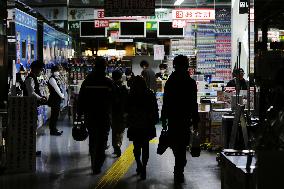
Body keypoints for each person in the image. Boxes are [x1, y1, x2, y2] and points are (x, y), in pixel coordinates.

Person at [161, 55, 199, 183]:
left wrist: (164, 119)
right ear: (186, 66)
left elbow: (165, 102)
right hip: (185, 119)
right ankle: (179, 168)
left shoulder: (170, 82)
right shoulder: (190, 82)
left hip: (173, 118)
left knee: (176, 145)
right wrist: (196, 121)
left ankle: (179, 166)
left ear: (175, 65)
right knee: (182, 145)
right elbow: (194, 104)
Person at [77, 57, 115, 174]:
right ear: (104, 67)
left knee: (93, 138)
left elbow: (81, 99)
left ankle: (94, 162)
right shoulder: (108, 82)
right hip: (104, 116)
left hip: (90, 115)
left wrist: (79, 114)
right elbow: (115, 99)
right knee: (102, 140)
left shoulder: (87, 82)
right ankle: (98, 163)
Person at [126, 76, 159, 180]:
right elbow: (155, 109)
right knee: (145, 146)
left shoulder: (131, 94)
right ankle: (144, 167)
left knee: (136, 146)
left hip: (135, 124)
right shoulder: (149, 93)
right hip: (147, 124)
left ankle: (138, 164)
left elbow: (126, 109)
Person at [111, 70, 128, 157]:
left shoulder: (111, 87)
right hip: (122, 113)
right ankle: (118, 144)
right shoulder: (124, 88)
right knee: (120, 130)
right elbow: (127, 101)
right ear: (121, 77)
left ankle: (115, 147)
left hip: (113, 113)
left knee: (114, 130)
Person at [47, 65, 64, 136]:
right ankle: (52, 130)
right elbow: (56, 89)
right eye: (57, 71)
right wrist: (62, 95)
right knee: (54, 115)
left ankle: (54, 128)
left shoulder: (55, 78)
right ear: (54, 71)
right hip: (54, 99)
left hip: (56, 99)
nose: (59, 72)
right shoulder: (52, 79)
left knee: (55, 114)